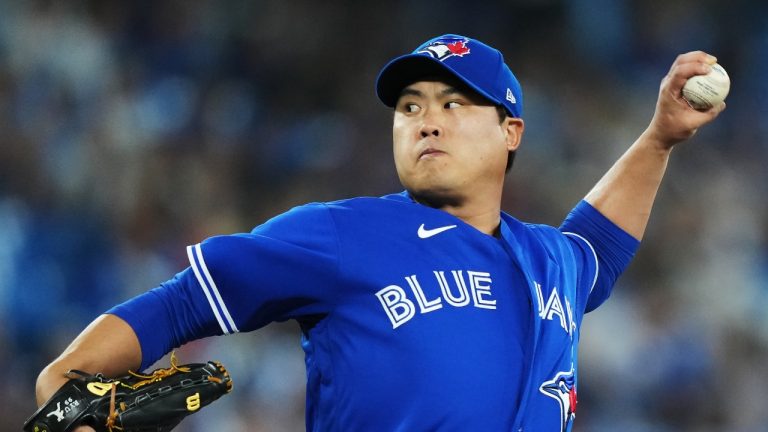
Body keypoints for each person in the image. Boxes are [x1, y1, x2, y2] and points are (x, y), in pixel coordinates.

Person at [33, 34, 725, 431]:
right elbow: (183, 303)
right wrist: (67, 384)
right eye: (410, 106)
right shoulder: (341, 235)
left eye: (455, 103)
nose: (426, 119)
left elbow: (596, 251)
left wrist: (660, 138)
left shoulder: (552, 262)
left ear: (511, 131)